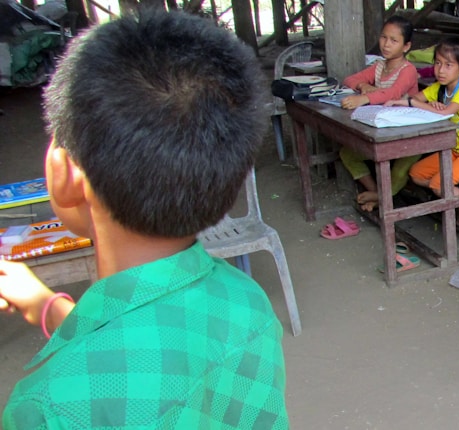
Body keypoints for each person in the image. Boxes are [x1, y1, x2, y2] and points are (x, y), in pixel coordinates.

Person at [0, 11, 288, 428]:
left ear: (61, 175)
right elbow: (158, 357)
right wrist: (48, 308)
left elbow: (126, 373)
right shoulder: (247, 302)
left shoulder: (46, 408)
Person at [387, 39, 459, 237]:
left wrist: (416, 104)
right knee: (416, 174)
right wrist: (406, 102)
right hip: (455, 151)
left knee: (438, 184)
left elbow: (444, 112)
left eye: (448, 65)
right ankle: (458, 202)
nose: (441, 70)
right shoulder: (439, 88)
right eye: (437, 63)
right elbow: (418, 98)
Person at [338, 15, 421, 212]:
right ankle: (378, 194)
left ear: (406, 46)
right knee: (347, 154)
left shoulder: (407, 70)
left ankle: (379, 198)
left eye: (394, 40)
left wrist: (364, 98)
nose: (386, 44)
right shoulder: (379, 66)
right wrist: (362, 85)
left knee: (400, 169)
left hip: (412, 133)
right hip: (385, 132)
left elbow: (392, 93)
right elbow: (349, 79)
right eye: (384, 38)